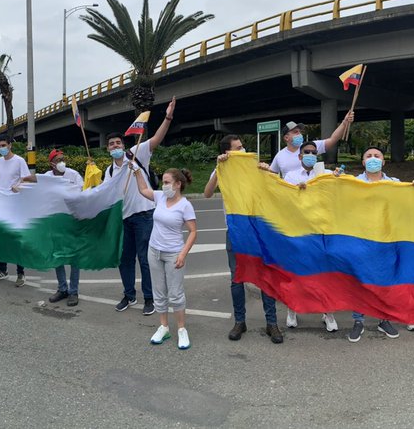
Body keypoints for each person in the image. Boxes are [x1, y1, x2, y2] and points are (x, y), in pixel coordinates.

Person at [205, 135, 284, 344]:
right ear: (228, 152)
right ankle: (240, 321)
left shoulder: (255, 167)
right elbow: (207, 192)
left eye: (243, 147)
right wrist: (218, 166)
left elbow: (277, 188)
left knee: (266, 275)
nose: (244, 150)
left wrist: (269, 171)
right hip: (236, 232)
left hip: (259, 230)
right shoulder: (222, 169)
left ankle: (272, 323)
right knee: (237, 277)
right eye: (239, 148)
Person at [106, 97, 176, 315]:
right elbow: (103, 197)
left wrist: (168, 117)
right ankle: (129, 295)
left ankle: (149, 298)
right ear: (107, 149)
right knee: (124, 259)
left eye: (118, 143)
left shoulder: (136, 154)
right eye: (111, 144)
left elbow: (156, 138)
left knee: (146, 259)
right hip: (123, 219)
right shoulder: (108, 172)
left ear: (123, 145)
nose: (115, 146)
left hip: (144, 215)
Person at [339, 147, 409, 343]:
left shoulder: (394, 184)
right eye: (368, 156)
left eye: (377, 156)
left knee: (384, 280)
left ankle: (383, 319)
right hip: (360, 239)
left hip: (386, 240)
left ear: (383, 162)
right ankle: (358, 321)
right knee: (360, 281)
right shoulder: (353, 183)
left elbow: (412, 199)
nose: (373, 159)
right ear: (362, 162)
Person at [132, 165, 197, 350]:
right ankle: (164, 327)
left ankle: (182, 330)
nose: (164, 185)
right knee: (158, 292)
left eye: (167, 182)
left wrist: (183, 254)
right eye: (163, 182)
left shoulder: (185, 205)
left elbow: (193, 232)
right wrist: (137, 172)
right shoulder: (160, 196)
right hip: (154, 251)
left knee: (175, 294)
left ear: (177, 184)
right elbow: (144, 189)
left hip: (173, 254)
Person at [282, 141, 338, 332]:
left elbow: (341, 190)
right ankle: (292, 311)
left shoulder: (325, 174)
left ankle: (328, 313)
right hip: (298, 233)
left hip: (322, 232)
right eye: (307, 152)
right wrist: (298, 192)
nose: (311, 155)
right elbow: (285, 202)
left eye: (314, 153)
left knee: (324, 275)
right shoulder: (291, 176)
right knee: (296, 274)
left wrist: (339, 177)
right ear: (300, 156)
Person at [0, 136, 38, 286]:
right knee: (2, 239)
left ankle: (21, 273)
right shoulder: (0, 161)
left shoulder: (19, 161)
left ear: (10, 145)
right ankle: (2, 270)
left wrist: (18, 185)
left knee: (16, 239)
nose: (1, 148)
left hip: (16, 205)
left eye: (3, 145)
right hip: (2, 205)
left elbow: (28, 178)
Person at [44, 149, 84, 306]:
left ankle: (73, 292)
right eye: (58, 159)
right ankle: (62, 288)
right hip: (55, 222)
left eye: (63, 159)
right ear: (51, 163)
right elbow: (35, 190)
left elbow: (82, 192)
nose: (62, 162)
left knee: (74, 257)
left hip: (72, 220)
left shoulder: (73, 175)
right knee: (58, 256)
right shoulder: (46, 178)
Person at [267, 112, 354, 179]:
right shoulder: (280, 156)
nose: (299, 134)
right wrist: (263, 168)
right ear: (286, 138)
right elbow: (271, 174)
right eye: (295, 132)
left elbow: (333, 139)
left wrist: (344, 122)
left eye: (299, 132)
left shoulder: (310, 147)